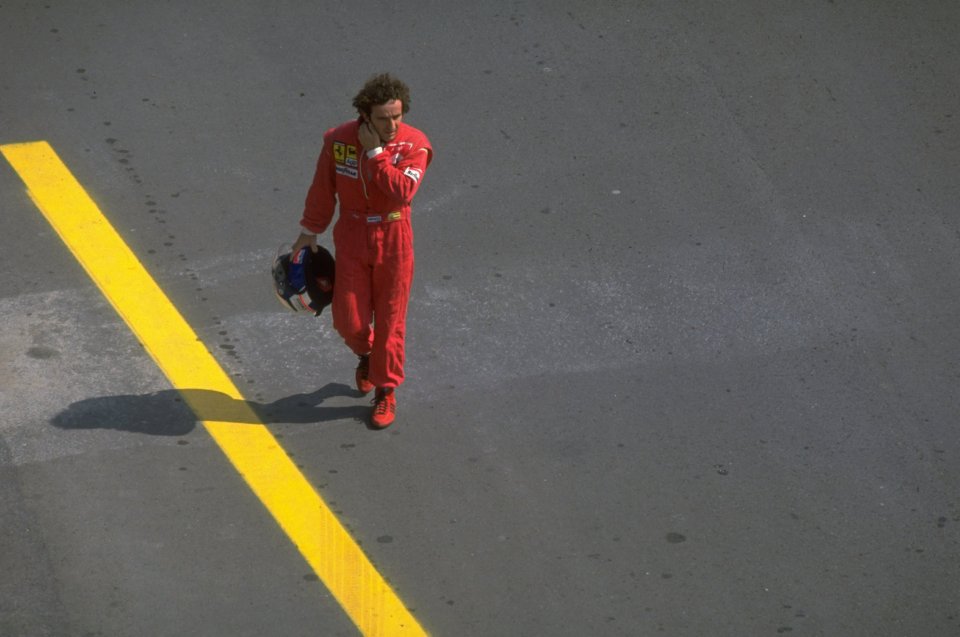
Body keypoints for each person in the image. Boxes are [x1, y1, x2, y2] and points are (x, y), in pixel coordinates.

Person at [291, 73, 433, 429]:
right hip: (352, 235)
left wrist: (375, 154)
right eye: (383, 118)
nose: (392, 125)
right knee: (347, 318)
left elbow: (402, 191)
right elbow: (323, 189)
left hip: (395, 234)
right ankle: (367, 355)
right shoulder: (337, 141)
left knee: (390, 321)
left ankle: (386, 390)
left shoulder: (415, 145)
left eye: (397, 116)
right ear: (365, 115)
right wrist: (309, 231)